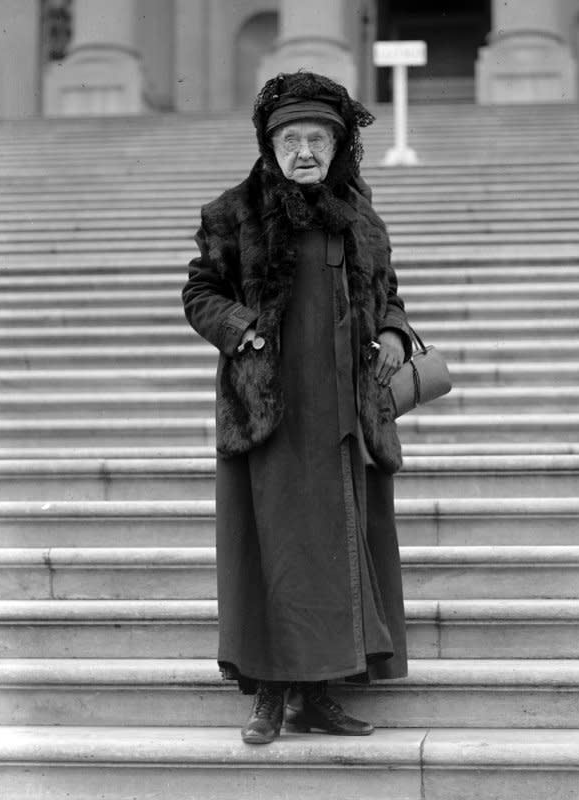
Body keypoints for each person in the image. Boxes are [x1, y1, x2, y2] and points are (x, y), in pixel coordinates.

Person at [182, 71, 412, 745]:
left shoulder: (361, 218)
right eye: (291, 138)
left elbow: (390, 294)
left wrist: (395, 331)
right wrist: (238, 324)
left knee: (337, 552)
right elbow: (201, 294)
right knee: (273, 552)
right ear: (269, 143)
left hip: (344, 413)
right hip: (273, 412)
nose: (305, 150)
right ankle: (268, 696)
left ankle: (317, 698)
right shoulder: (233, 213)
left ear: (338, 146)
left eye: (318, 138)